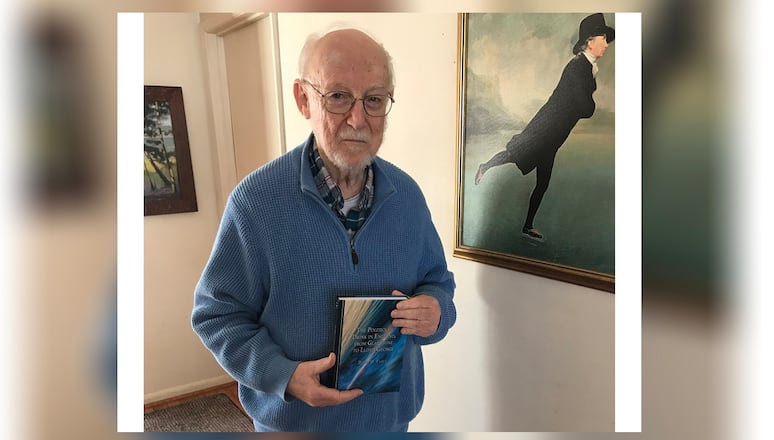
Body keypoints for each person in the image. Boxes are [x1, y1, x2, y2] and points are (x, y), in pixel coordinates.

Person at [191, 27, 457, 432]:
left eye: (374, 100)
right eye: (337, 97)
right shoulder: (256, 202)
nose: (358, 119)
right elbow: (217, 315)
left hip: (390, 425)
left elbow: (437, 281)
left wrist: (436, 311)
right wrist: (282, 374)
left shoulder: (408, 197)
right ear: (303, 99)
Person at [473, 13, 615, 242]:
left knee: (542, 182)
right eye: (603, 38)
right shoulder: (577, 68)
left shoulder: (586, 69)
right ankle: (485, 166)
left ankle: (527, 226)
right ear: (590, 41)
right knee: (514, 153)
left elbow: (581, 104)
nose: (606, 44)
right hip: (545, 130)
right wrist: (588, 98)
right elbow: (585, 107)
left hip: (554, 135)